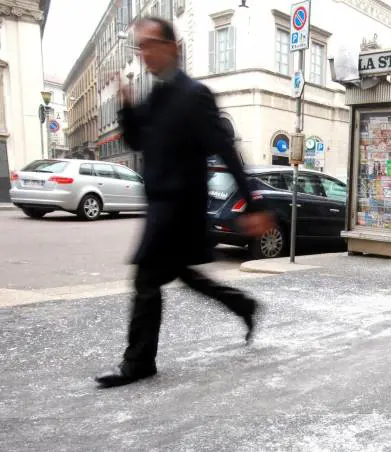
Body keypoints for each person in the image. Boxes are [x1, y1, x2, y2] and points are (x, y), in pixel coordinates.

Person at [95, 17, 274, 389]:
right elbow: (138, 142)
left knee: (146, 279)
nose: (143, 54)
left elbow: (227, 149)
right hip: (161, 206)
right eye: (139, 47)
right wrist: (127, 105)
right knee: (184, 276)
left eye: (149, 44)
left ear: (172, 46)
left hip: (179, 208)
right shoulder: (157, 95)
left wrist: (253, 204)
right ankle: (243, 305)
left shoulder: (194, 94)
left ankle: (139, 362)